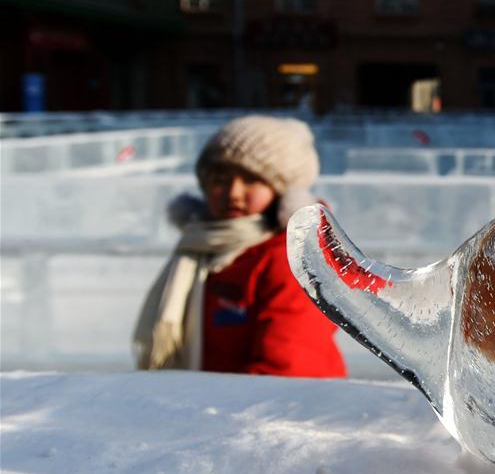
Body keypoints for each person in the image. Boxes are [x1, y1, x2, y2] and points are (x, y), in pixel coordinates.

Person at [133, 115, 347, 378]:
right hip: (216, 406)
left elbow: (286, 370)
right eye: (220, 179)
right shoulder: (200, 250)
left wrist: (209, 410)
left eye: (250, 179)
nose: (233, 192)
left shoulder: (293, 261)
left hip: (277, 413)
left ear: (284, 193)